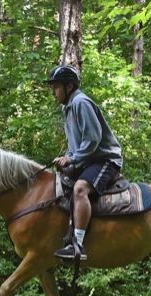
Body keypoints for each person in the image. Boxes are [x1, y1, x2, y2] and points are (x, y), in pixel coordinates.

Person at [44, 65, 123, 262]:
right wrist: (66, 157)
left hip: (104, 159)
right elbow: (75, 143)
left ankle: (77, 244)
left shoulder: (80, 103)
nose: (53, 92)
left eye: (55, 87)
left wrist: (71, 159)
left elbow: (93, 139)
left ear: (69, 87)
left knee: (79, 189)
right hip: (88, 160)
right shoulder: (67, 107)